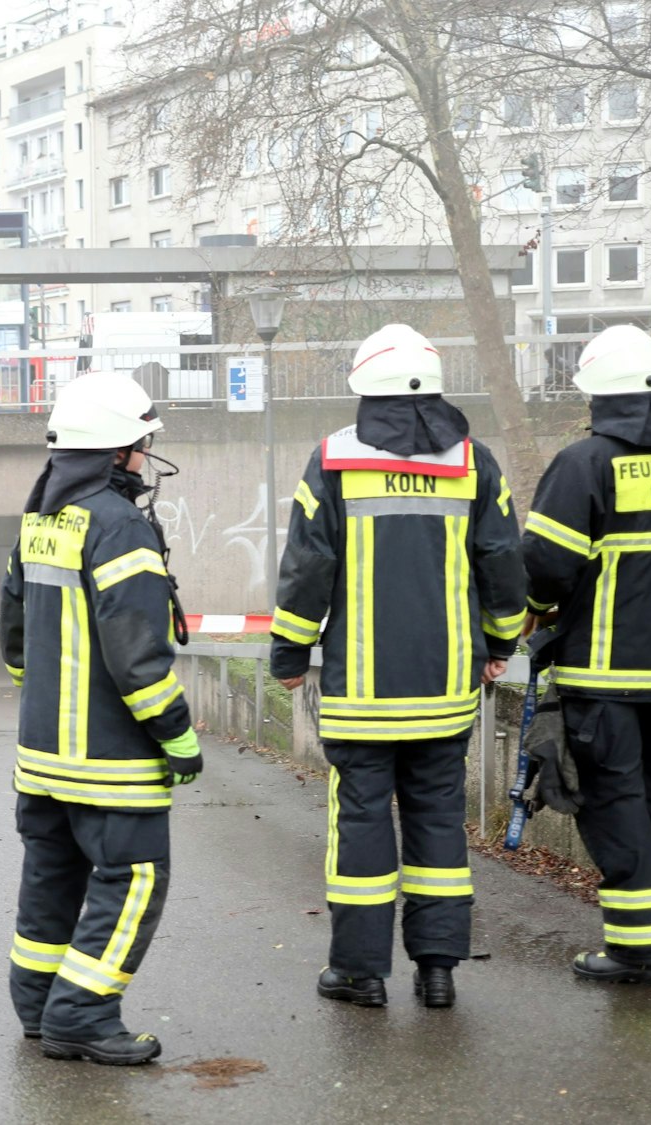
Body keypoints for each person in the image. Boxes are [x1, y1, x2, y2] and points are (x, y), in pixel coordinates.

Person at [270, 324, 526, 1010]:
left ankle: (360, 972)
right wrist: (501, 643)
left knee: (361, 825)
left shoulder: (332, 460)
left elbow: (306, 569)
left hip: (361, 696)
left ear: (362, 388)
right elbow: (502, 559)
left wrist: (290, 654)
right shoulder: (474, 461)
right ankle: (438, 970)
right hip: (445, 694)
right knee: (439, 821)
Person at [0, 372, 199, 1066]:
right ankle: (80, 1014)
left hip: (43, 755)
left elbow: (16, 641)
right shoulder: (120, 526)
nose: (146, 455)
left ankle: (40, 1005)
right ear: (117, 453)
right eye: (141, 443)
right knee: (135, 877)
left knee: (52, 877)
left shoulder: (43, 518)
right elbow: (137, 658)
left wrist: (48, 701)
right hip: (110, 759)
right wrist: (178, 735)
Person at [521, 325, 651, 987]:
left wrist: (540, 611)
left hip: (603, 679)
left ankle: (641, 952)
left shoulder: (584, 465)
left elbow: (545, 569)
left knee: (615, 803)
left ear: (598, 399)